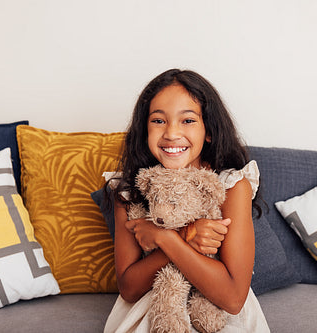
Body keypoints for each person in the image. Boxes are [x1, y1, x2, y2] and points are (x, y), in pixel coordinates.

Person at [104, 69, 269, 332]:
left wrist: (165, 238)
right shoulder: (130, 189)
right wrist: (186, 236)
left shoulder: (231, 186)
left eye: (188, 121)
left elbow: (233, 299)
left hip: (216, 310)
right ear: (144, 129)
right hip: (155, 309)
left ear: (209, 131)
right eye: (158, 121)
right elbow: (129, 288)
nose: (171, 133)